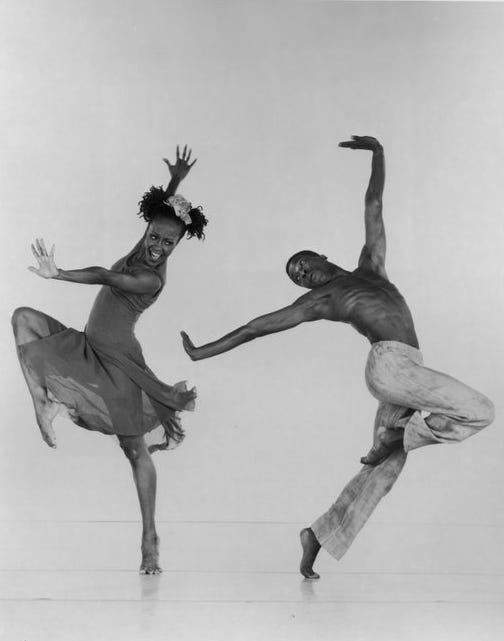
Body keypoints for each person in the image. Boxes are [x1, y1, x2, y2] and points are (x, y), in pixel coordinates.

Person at [180, 135, 494, 579]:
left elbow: (374, 206)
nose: (303, 274)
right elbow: (256, 327)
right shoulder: (323, 299)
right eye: (297, 277)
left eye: (303, 264)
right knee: (480, 410)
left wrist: (378, 153)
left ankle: (317, 536)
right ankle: (397, 437)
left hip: (406, 369)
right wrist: (202, 352)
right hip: (390, 368)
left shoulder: (371, 266)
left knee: (382, 473)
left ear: (320, 255)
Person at [12, 145, 207, 574]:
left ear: (177, 246)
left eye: (168, 243)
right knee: (23, 319)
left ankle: (150, 539)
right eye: (154, 237)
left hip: (119, 364)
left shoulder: (149, 277)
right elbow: (160, 217)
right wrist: (176, 182)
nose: (157, 247)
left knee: (134, 451)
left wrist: (59, 274)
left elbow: (103, 274)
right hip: (88, 345)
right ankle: (43, 404)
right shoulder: (145, 246)